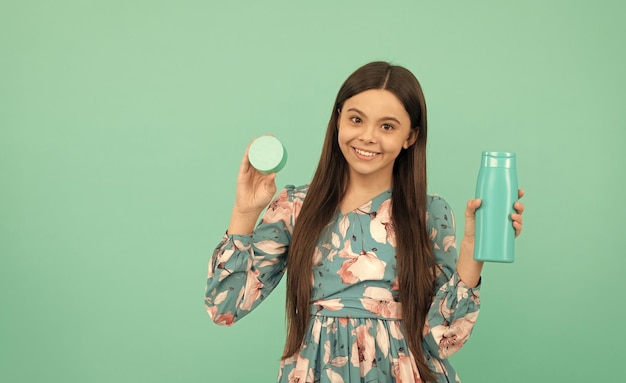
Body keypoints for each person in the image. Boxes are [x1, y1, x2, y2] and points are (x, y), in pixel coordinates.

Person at [204, 61, 525, 383]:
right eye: (356, 119)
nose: (368, 137)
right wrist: (245, 213)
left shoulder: (428, 213)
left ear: (410, 136)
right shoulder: (296, 207)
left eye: (387, 126)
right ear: (338, 120)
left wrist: (472, 252)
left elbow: (442, 337)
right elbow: (224, 306)